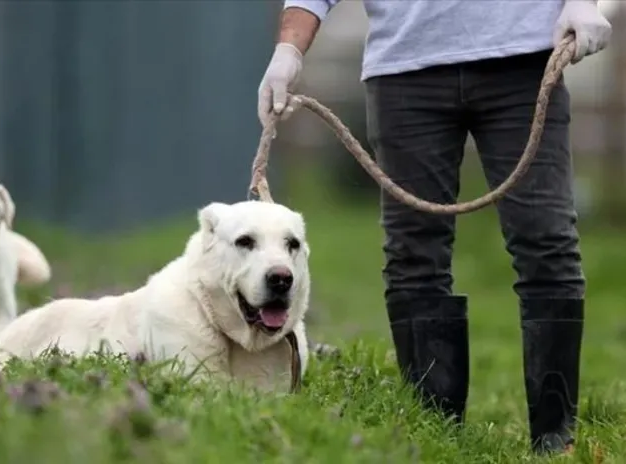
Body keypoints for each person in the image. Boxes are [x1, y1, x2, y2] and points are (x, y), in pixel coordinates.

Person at [257, 0, 612, 455]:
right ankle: (435, 438)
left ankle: (555, 440)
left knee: (548, 243)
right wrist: (289, 49)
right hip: (404, 70)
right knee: (414, 255)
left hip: (524, 60)